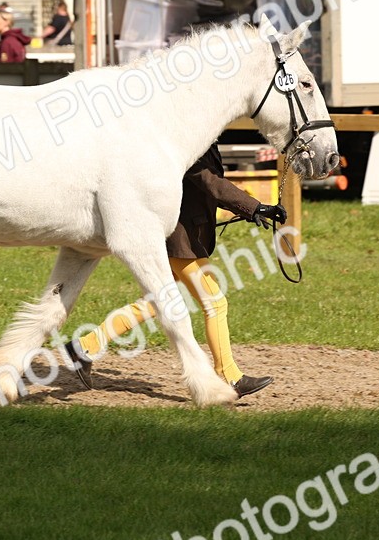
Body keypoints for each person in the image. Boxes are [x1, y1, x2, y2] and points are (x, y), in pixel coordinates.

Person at [64, 144, 287, 398]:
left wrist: (254, 209)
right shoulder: (192, 142)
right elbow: (210, 182)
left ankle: (85, 347)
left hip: (186, 236)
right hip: (180, 240)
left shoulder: (205, 139)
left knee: (154, 304)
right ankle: (229, 375)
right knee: (214, 303)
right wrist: (255, 207)